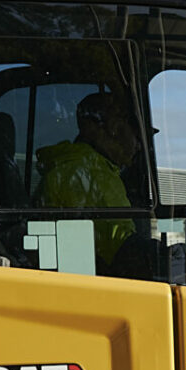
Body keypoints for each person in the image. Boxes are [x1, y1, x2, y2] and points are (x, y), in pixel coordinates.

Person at [36, 89, 143, 270]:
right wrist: (165, 257)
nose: (139, 145)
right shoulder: (90, 172)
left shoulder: (76, 166)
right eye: (137, 135)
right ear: (114, 128)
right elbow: (121, 246)